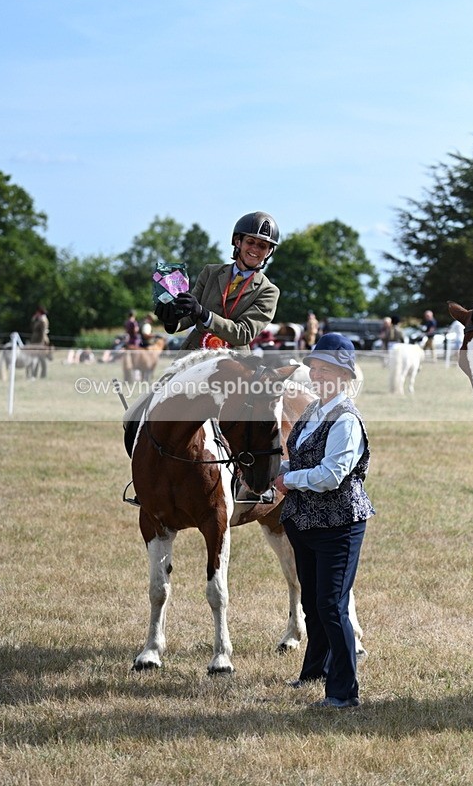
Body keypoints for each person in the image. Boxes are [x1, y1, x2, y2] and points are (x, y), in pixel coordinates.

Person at [274, 333, 375, 709]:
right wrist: (275, 469)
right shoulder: (312, 411)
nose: (317, 375)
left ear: (344, 376)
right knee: (313, 604)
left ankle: (344, 693)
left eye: (326, 369)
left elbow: (332, 474)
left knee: (332, 605)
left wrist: (288, 480)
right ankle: (314, 672)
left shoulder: (346, 419)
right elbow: (301, 459)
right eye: (315, 368)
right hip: (303, 522)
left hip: (339, 524)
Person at [155, 211, 280, 351]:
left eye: (262, 246)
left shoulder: (268, 291)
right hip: (195, 351)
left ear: (269, 252)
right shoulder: (210, 272)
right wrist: (172, 321)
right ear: (238, 242)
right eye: (250, 242)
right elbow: (190, 316)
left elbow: (243, 333)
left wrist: (204, 314)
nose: (255, 249)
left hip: (234, 358)